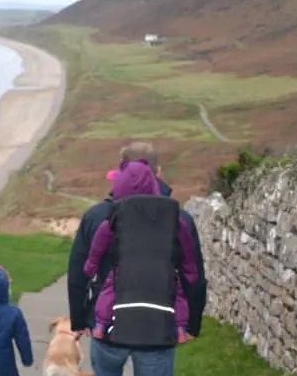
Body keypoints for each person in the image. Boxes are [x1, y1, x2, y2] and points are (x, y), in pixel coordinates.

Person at [83, 160, 200, 376]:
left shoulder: (113, 218)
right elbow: (191, 268)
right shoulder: (176, 221)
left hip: (112, 321)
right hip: (159, 323)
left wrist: (93, 272)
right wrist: (187, 291)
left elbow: (92, 260)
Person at [67, 141, 207, 339]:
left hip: (106, 320)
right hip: (160, 322)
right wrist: (191, 326)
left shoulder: (96, 216)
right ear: (157, 172)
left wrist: (79, 320)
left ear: (121, 171)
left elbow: (78, 273)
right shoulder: (180, 219)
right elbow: (194, 277)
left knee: (105, 370)